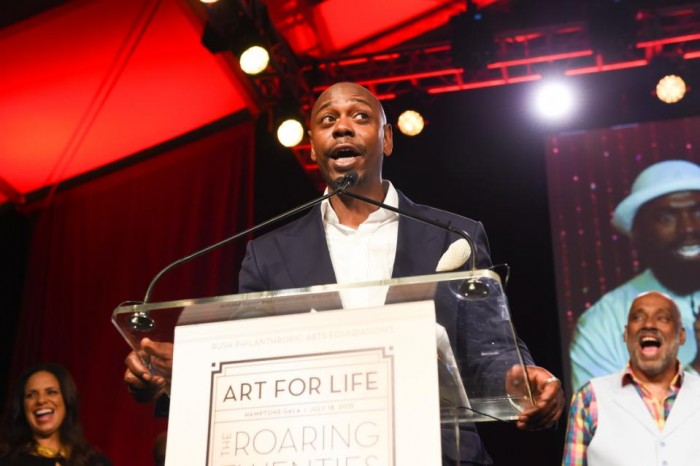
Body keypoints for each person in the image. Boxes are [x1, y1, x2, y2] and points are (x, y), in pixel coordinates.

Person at [124, 82, 565, 464]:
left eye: (360, 115)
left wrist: (520, 379)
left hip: (438, 451)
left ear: (387, 139)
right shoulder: (268, 255)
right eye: (327, 119)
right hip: (314, 451)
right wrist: (175, 377)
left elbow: (487, 349)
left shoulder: (454, 236)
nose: (342, 126)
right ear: (313, 144)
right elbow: (247, 366)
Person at [569, 159, 700, 391]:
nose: (689, 228)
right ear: (637, 233)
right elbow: (597, 421)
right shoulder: (602, 323)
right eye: (666, 217)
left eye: (698, 211)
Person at [562, 291, 700, 465]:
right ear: (626, 335)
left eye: (663, 318)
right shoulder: (590, 397)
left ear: (681, 335)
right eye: (638, 318)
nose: (649, 324)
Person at [0, 363, 112, 466]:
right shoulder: (6, 461)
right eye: (31, 395)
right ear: (22, 406)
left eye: (51, 392)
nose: (41, 400)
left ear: (66, 400)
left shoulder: (95, 461)